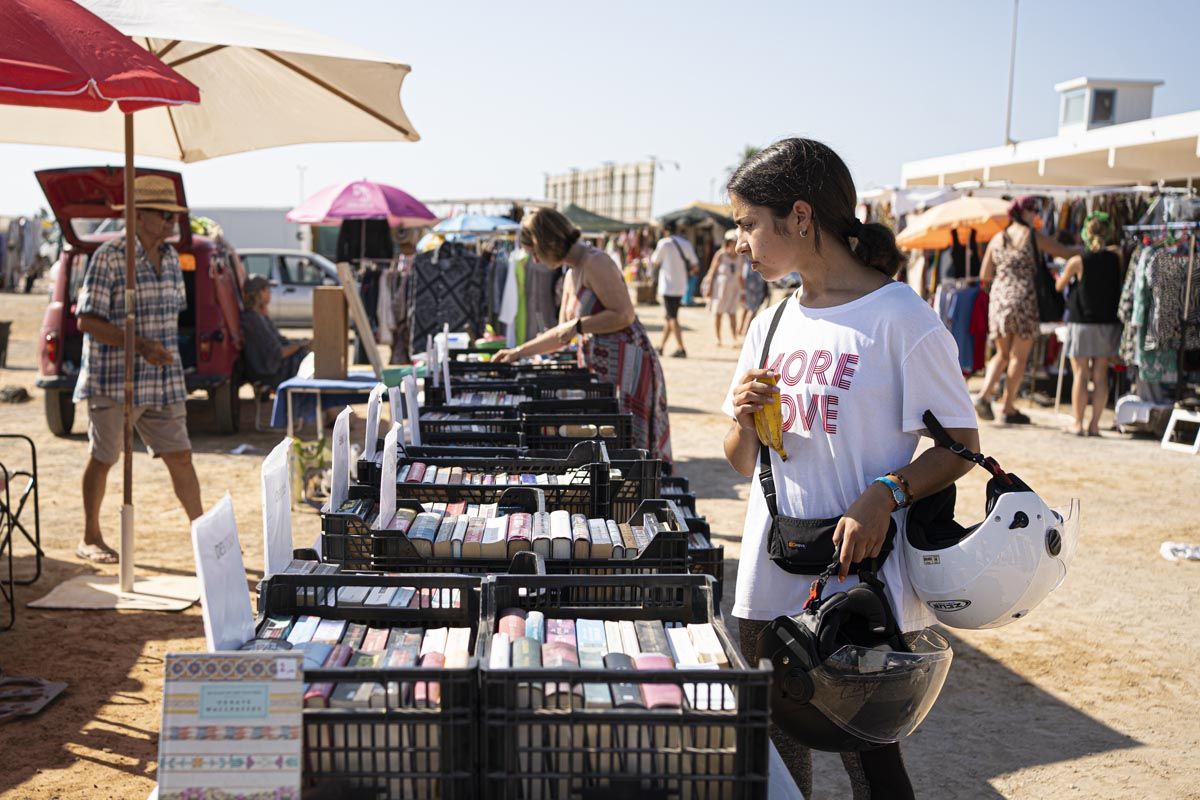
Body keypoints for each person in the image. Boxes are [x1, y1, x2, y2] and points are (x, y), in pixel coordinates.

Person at [722, 138, 979, 799]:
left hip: (859, 581)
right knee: (778, 770)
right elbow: (740, 459)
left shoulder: (899, 317)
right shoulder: (770, 323)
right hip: (769, 572)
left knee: (872, 763)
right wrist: (744, 419)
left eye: (750, 223)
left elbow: (961, 446)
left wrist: (886, 492)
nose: (741, 241)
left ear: (800, 217)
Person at [73, 175, 204, 564]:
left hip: (162, 380)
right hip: (114, 379)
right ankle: (90, 536)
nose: (172, 222)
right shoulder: (110, 257)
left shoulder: (171, 261)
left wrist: (156, 349)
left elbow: (170, 318)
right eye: (164, 215)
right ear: (138, 216)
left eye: (173, 215)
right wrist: (141, 346)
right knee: (105, 456)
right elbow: (87, 321)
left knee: (180, 455)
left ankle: (202, 536)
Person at [494, 208, 672, 464]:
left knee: (631, 443)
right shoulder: (571, 272)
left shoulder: (595, 262)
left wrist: (580, 326)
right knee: (614, 441)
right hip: (603, 369)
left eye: (534, 253)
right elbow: (562, 333)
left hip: (627, 366)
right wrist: (518, 352)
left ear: (546, 243)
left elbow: (624, 315)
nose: (534, 261)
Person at [973, 196, 1079, 424]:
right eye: (1033, 210)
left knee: (1001, 354)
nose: (1036, 215)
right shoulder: (1032, 236)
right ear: (1023, 212)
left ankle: (983, 396)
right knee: (1018, 358)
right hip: (1024, 298)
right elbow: (1063, 252)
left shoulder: (997, 238)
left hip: (1000, 300)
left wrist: (1003, 283)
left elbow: (985, 275)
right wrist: (1088, 250)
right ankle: (1008, 407)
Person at [1055, 212, 1123, 436]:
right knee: (1101, 375)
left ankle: (1078, 423)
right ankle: (1094, 425)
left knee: (1081, 374)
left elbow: (1059, 286)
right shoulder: (1117, 257)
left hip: (1082, 321)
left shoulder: (1078, 260)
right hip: (1107, 322)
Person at [240, 275, 311, 388]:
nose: (270, 294)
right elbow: (278, 353)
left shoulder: (259, 317)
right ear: (261, 292)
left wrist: (299, 343)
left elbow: (280, 341)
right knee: (307, 361)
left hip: (273, 368)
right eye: (268, 290)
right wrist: (299, 345)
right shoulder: (254, 320)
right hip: (270, 372)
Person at [651, 222, 698, 357]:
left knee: (672, 317)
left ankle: (681, 348)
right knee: (670, 317)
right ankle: (660, 346)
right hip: (680, 286)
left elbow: (655, 261)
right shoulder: (686, 244)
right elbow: (695, 266)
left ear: (665, 231)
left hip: (667, 286)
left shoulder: (664, 243)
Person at [703, 229, 744, 346]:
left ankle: (734, 337)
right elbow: (711, 272)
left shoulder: (740, 257)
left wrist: (743, 291)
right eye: (732, 241)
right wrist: (709, 288)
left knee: (732, 314)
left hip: (734, 288)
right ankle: (718, 337)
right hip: (720, 287)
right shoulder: (720, 254)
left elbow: (740, 275)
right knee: (718, 313)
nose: (734, 243)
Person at [739, 249, 768, 336]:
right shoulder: (760, 252)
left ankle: (740, 329)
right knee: (753, 309)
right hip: (756, 282)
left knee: (746, 307)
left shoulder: (746, 252)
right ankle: (746, 331)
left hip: (748, 280)